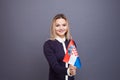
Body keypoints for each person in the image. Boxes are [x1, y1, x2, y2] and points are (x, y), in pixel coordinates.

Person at [43, 14, 77, 80]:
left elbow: (72, 61)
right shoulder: (48, 44)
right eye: (57, 25)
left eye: (64, 25)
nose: (61, 28)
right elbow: (55, 66)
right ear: (53, 27)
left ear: (67, 27)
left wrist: (73, 67)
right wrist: (68, 71)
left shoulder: (71, 43)